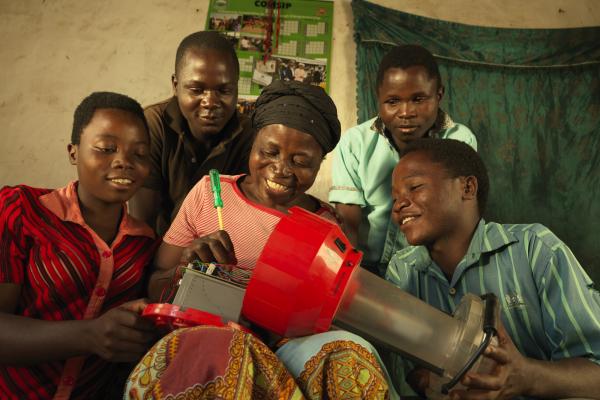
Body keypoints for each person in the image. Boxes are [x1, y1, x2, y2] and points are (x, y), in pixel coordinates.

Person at [126, 80, 398, 399]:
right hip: (207, 336)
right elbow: (156, 283)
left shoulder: (326, 228)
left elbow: (324, 323)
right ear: (253, 143)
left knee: (351, 353)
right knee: (221, 347)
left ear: (320, 163)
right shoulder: (209, 195)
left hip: (282, 352)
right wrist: (187, 269)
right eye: (269, 151)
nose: (280, 169)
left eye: (300, 161)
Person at [386, 138, 600, 399]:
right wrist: (438, 381)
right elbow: (408, 371)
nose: (399, 205)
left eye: (415, 187)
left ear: (467, 187)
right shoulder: (402, 271)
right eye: (395, 197)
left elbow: (595, 372)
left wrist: (525, 377)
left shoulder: (535, 250)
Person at [0, 92, 160, 399]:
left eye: (140, 154)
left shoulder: (143, 244)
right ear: (73, 152)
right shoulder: (21, 210)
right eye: (106, 148)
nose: (124, 161)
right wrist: (89, 336)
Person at [329, 44, 477, 277]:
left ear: (439, 94)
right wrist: (350, 276)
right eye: (393, 101)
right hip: (366, 268)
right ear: (379, 98)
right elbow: (349, 223)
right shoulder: (355, 143)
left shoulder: (459, 140)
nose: (406, 112)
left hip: (430, 270)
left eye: (418, 99)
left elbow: (462, 218)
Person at [129, 31, 254, 236]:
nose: (210, 102)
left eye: (224, 91)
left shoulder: (249, 135)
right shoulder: (153, 124)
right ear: (176, 86)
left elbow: (246, 218)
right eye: (196, 90)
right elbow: (142, 221)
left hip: (219, 254)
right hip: (157, 248)